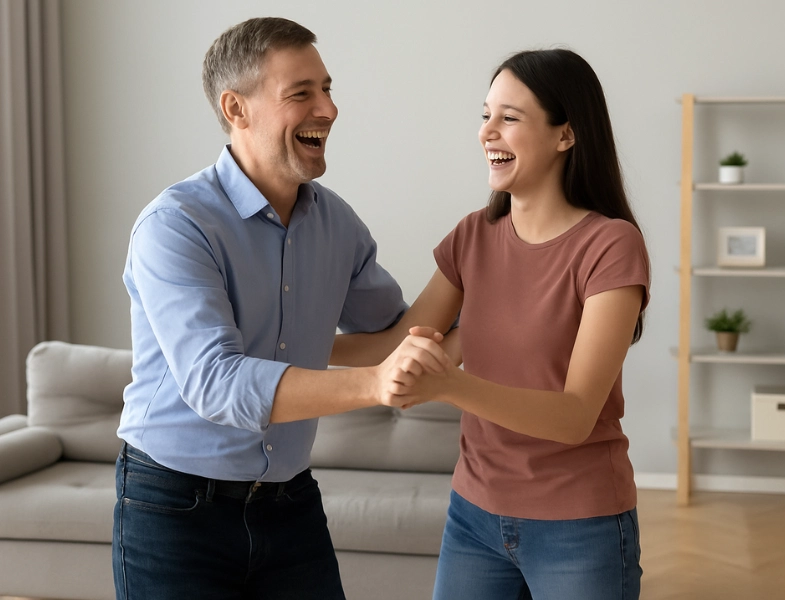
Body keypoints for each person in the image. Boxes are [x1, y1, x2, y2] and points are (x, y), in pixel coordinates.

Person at [113, 17, 449, 600]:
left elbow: (395, 334)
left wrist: (479, 253)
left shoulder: (336, 223)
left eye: (327, 88)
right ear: (236, 109)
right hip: (172, 505)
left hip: (289, 498)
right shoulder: (176, 225)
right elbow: (216, 383)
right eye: (302, 93)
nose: (329, 109)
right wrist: (375, 386)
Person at [331, 48, 650, 600]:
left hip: (579, 523)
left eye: (509, 118)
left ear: (565, 136)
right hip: (474, 515)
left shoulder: (610, 246)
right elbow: (395, 344)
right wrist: (277, 340)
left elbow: (576, 416)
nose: (487, 132)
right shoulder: (473, 236)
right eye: (485, 115)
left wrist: (449, 383)